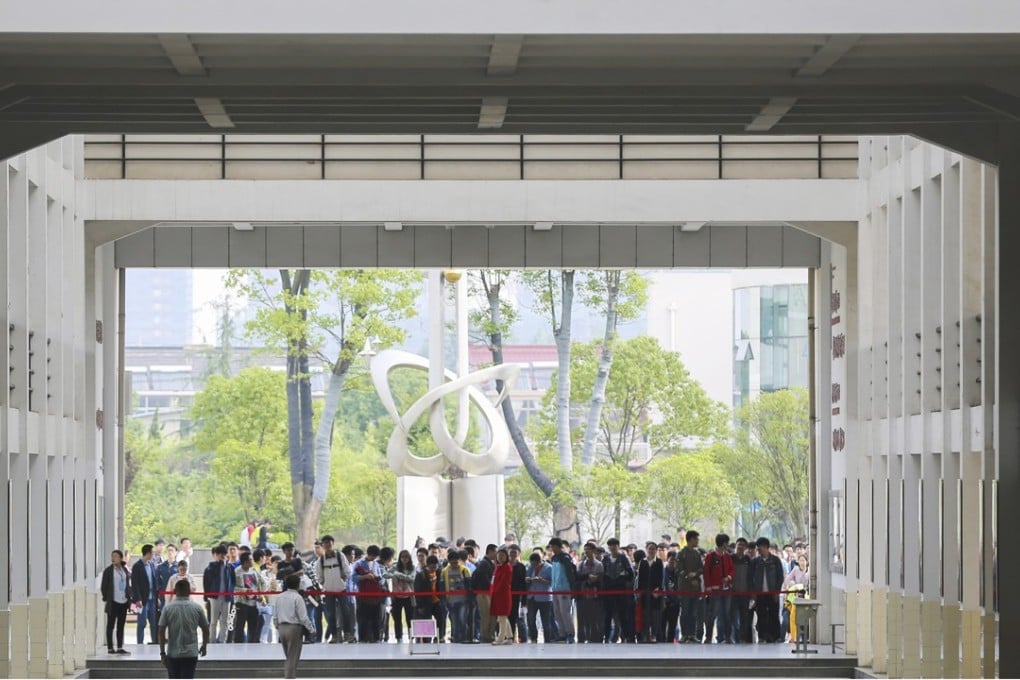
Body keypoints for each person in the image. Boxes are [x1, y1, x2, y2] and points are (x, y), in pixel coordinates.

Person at [157, 580, 209, 680]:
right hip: (191, 653)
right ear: (189, 591)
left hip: (173, 653)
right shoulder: (197, 608)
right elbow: (206, 629)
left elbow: (161, 631)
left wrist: (162, 653)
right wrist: (204, 646)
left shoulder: (167, 608)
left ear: (175, 591)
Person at [274, 574, 316, 679]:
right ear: (298, 585)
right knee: (292, 658)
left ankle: (289, 675)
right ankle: (289, 677)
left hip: (282, 628)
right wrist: (311, 629)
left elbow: (275, 615)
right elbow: (303, 617)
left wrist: (277, 626)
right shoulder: (298, 598)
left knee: (288, 656)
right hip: (294, 629)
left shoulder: (280, 596)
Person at [750, 537, 785, 643]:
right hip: (759, 593)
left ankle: (776, 636)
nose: (758, 550)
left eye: (759, 547)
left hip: (772, 593)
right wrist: (753, 593)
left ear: (765, 547)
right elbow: (750, 578)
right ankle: (762, 636)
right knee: (761, 615)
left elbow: (780, 577)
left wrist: (776, 591)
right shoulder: (755, 562)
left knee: (774, 614)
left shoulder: (775, 560)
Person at [101, 549, 133, 655]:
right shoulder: (108, 571)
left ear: (120, 558)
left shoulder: (124, 569)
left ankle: (120, 647)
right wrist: (107, 597)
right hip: (113, 602)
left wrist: (129, 598)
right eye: (112, 556)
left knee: (121, 625)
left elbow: (128, 585)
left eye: (115, 556)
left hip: (123, 601)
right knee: (110, 625)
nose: (113, 558)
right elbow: (104, 586)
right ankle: (110, 648)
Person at [202, 544, 235, 643]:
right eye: (220, 554)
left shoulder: (229, 567)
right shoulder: (211, 567)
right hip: (214, 597)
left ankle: (222, 640)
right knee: (213, 621)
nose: (222, 556)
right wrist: (206, 596)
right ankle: (212, 640)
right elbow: (206, 582)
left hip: (227, 597)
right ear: (216, 555)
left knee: (225, 621)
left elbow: (233, 581)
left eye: (224, 554)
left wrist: (231, 593)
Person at [385, 549, 417, 643]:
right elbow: (385, 575)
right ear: (400, 558)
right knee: (397, 619)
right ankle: (399, 638)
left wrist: (398, 575)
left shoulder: (412, 567)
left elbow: (411, 579)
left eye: (406, 557)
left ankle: (412, 637)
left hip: (409, 597)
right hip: (396, 597)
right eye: (402, 557)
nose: (404, 559)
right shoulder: (395, 567)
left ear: (409, 558)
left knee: (410, 618)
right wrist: (393, 574)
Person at [132, 543, 159, 644]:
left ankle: (154, 641)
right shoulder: (137, 566)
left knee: (153, 622)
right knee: (141, 623)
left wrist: (158, 598)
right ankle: (140, 642)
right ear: (147, 553)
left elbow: (154, 580)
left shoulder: (151, 564)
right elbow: (135, 584)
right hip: (141, 600)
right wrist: (137, 599)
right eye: (152, 553)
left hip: (152, 599)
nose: (153, 555)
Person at [490, 548, 514, 645]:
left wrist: (496, 591)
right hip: (496, 594)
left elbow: (504, 582)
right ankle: (509, 637)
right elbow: (493, 581)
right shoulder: (497, 567)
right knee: (502, 617)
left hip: (503, 595)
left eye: (503, 555)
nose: (500, 557)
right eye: (499, 555)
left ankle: (500, 638)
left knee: (502, 617)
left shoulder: (507, 567)